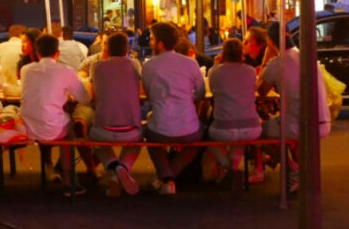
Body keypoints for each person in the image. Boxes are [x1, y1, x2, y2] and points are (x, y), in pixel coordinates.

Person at [255, 22, 331, 192]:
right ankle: (302, 173)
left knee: (257, 132)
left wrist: (266, 58)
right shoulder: (307, 57)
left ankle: (292, 169)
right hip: (322, 121)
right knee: (286, 128)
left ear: (270, 42)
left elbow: (260, 91)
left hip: (300, 126)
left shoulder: (277, 63)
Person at [18, 34, 90, 196]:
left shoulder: (25, 70)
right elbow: (84, 97)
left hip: (27, 128)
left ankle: (51, 168)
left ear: (37, 53)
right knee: (70, 131)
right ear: (57, 53)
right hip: (52, 129)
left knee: (48, 119)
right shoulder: (65, 71)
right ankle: (69, 180)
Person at [142, 22, 206, 195]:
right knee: (198, 139)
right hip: (189, 127)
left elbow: (149, 96)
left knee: (150, 136)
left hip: (160, 127)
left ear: (160, 44)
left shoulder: (148, 66)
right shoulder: (191, 64)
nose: (150, 42)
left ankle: (166, 177)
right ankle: (169, 177)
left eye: (152, 39)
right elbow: (201, 93)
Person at [88, 32, 143, 198]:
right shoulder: (134, 65)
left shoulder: (97, 66)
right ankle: (124, 168)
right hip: (131, 129)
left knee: (94, 140)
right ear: (126, 48)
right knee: (137, 142)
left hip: (103, 129)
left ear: (107, 48)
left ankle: (113, 171)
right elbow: (141, 90)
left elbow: (93, 94)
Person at [205, 38, 262, 192]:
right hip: (251, 127)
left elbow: (211, 91)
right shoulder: (250, 71)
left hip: (223, 128)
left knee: (207, 136)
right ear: (241, 53)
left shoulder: (214, 71)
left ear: (223, 53)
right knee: (240, 133)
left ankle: (229, 168)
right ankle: (234, 167)